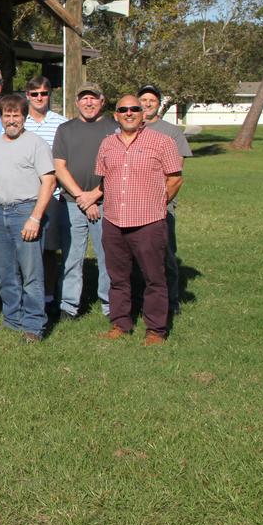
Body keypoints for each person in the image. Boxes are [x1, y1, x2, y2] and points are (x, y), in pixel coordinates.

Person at [95, 95, 183, 345]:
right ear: (116, 115)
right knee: (118, 277)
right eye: (123, 109)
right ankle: (120, 323)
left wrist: (157, 203)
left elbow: (175, 178)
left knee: (154, 277)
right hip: (113, 221)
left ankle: (156, 329)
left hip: (148, 222)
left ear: (143, 113)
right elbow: (104, 179)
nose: (129, 113)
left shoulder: (162, 142)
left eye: (134, 109)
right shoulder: (107, 144)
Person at [0, 93, 56, 342]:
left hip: (26, 210)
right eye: (7, 115)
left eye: (17, 115)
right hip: (0, 212)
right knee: (4, 274)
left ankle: (33, 325)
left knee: (31, 273)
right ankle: (12, 319)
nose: (12, 120)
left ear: (24, 117)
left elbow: (49, 180)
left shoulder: (36, 143)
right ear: (1, 117)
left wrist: (35, 218)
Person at [52, 82, 116, 319]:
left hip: (106, 201)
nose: (88, 103)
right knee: (71, 257)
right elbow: (59, 167)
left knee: (107, 257)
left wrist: (95, 195)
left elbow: (118, 168)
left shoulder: (115, 129)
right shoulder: (65, 129)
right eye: (84, 98)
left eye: (93, 98)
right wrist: (82, 197)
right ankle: (68, 306)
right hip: (72, 203)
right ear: (77, 102)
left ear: (102, 101)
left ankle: (110, 306)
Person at [139, 84, 192, 315]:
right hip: (133, 203)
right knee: (136, 254)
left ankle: (171, 300)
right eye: (143, 99)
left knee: (165, 252)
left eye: (152, 100)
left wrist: (162, 200)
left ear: (158, 103)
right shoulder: (129, 128)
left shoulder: (171, 132)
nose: (147, 104)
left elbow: (176, 172)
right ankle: (141, 299)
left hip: (162, 203)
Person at [22, 76, 67, 314]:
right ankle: (24, 296)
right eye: (34, 93)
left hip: (52, 195)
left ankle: (48, 296)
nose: (40, 98)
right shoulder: (20, 122)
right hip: (24, 194)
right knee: (24, 249)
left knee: (48, 250)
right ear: (27, 96)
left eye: (44, 93)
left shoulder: (61, 124)